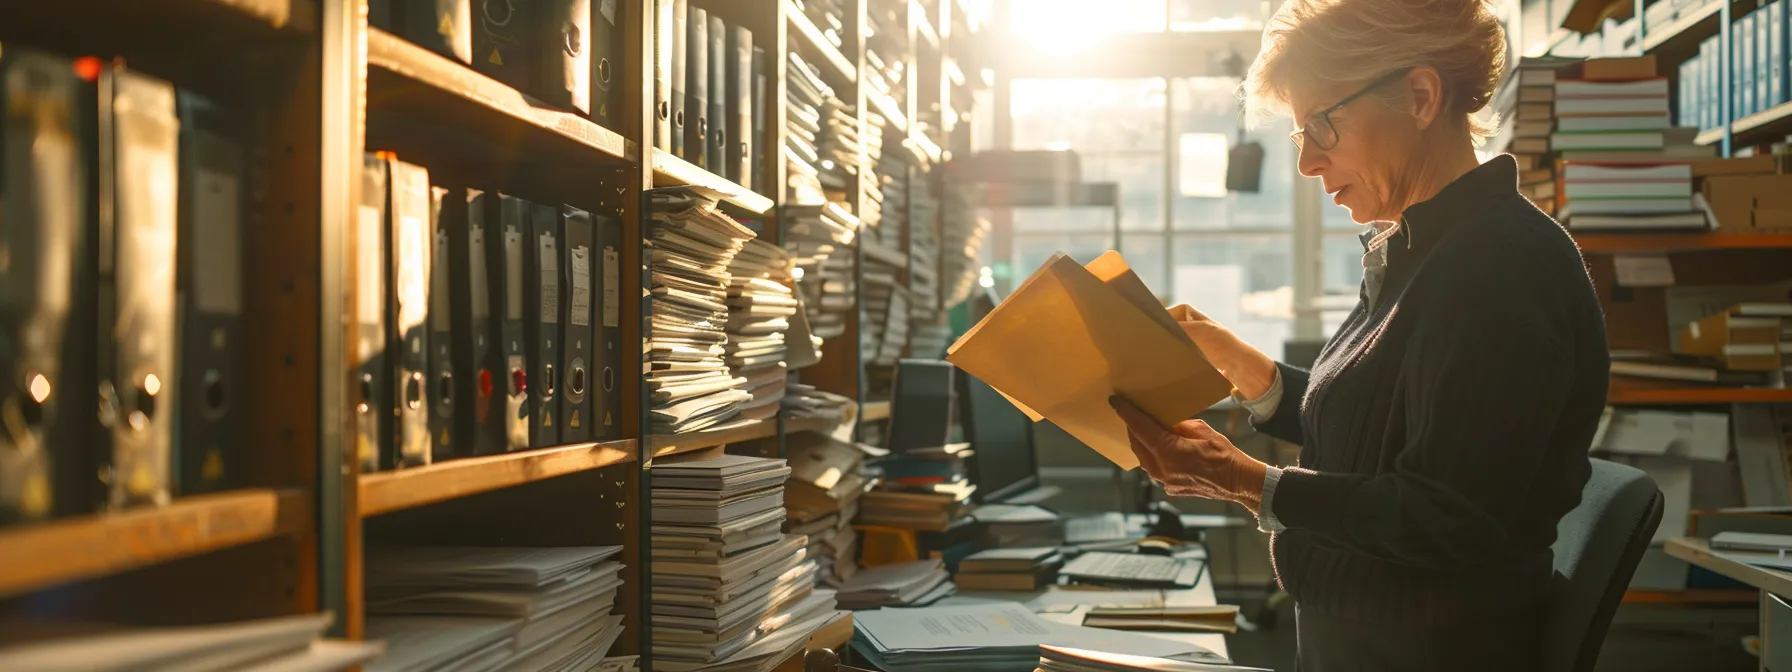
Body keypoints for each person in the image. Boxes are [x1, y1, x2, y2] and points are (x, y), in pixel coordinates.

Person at [1109, 0, 1609, 669]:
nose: (1308, 164)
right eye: (1300, 137)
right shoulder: (1428, 248)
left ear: (1421, 96)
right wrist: (1253, 374)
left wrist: (1244, 481)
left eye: (1323, 125)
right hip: (1365, 640)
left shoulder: (1499, 265)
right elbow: (1385, 424)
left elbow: (1445, 515)